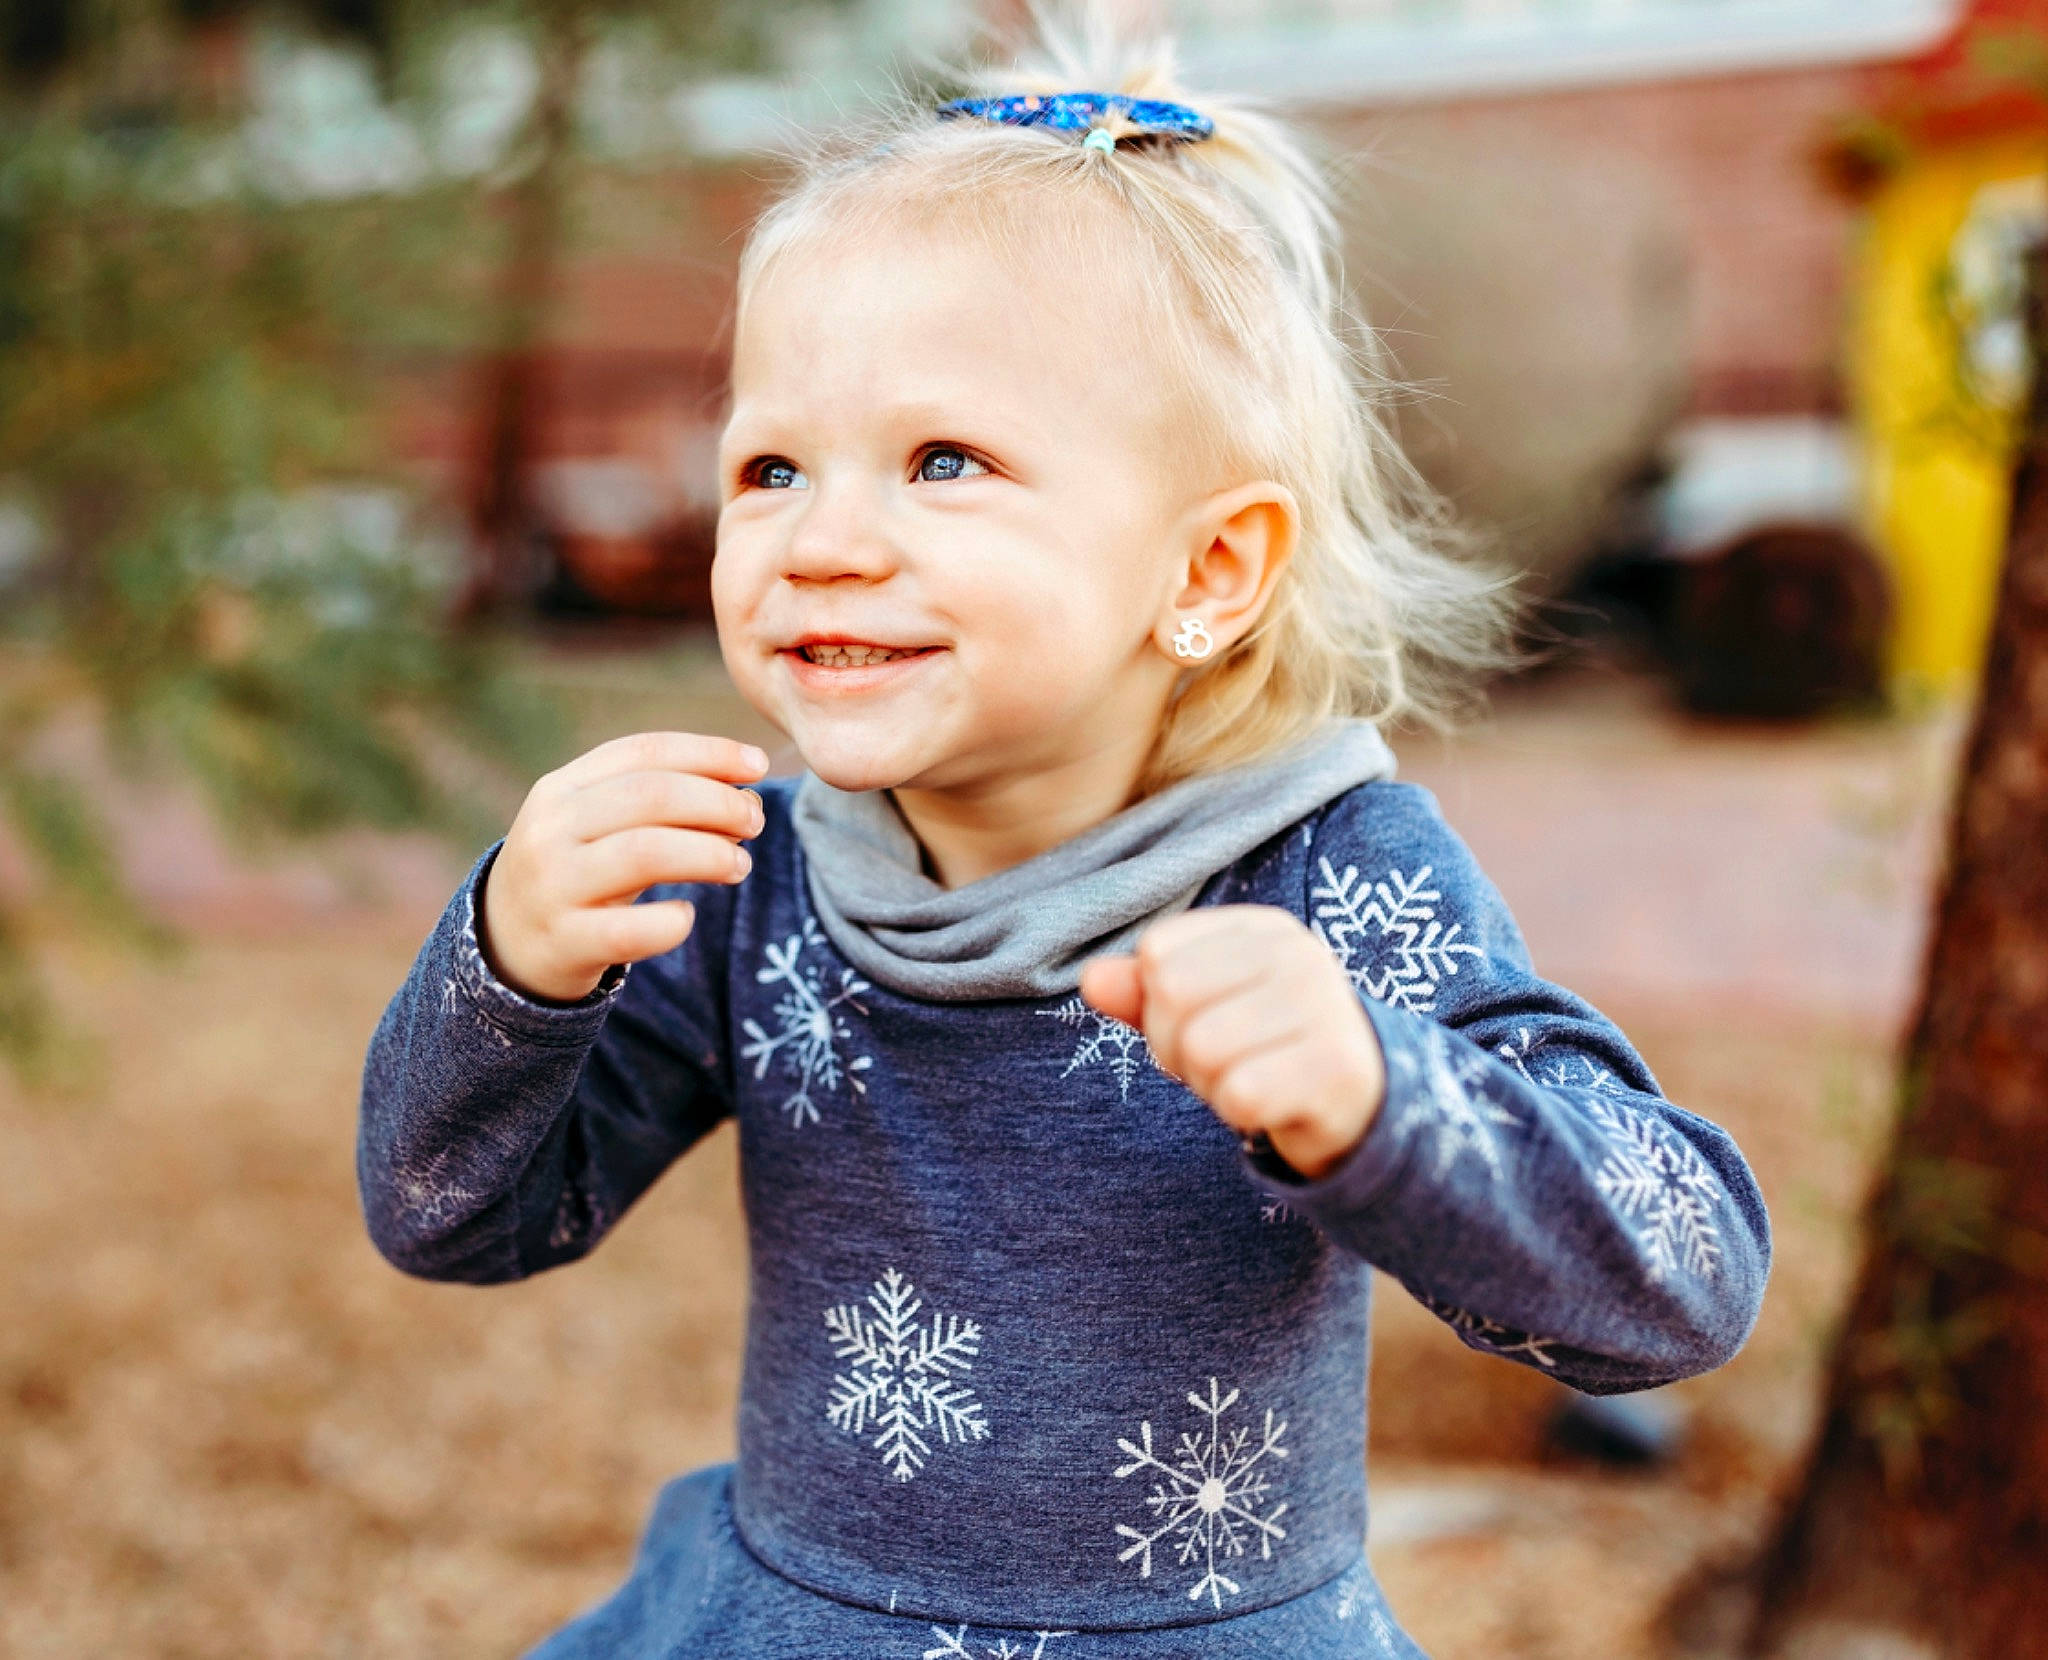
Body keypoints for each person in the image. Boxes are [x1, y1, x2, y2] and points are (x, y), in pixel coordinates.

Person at [355, 17, 1772, 1657]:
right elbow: (456, 1218)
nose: (822, 539)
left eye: (943, 460)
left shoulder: (1332, 872)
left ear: (1209, 574)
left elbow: (1684, 1280)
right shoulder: (761, 876)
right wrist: (512, 969)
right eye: (771, 464)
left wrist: (1383, 1098)